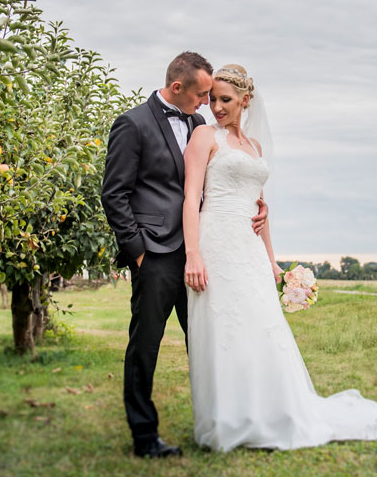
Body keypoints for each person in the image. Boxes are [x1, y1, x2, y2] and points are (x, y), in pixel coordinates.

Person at [182, 64, 377, 451]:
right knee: (225, 327)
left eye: (225, 100)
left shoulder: (255, 148)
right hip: (216, 241)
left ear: (246, 101)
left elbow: (260, 209)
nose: (215, 106)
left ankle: (270, 411)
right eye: (212, 98)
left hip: (248, 248)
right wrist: (194, 254)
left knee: (261, 326)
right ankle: (228, 419)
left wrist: (272, 261)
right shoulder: (203, 135)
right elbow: (191, 197)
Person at [101, 52, 268, 459]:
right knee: (145, 346)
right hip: (156, 255)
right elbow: (114, 193)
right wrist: (138, 252)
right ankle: (145, 437)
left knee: (210, 341)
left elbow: (207, 183)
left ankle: (225, 420)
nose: (208, 104)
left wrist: (254, 208)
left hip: (204, 251)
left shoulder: (199, 126)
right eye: (202, 95)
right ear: (178, 88)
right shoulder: (132, 124)